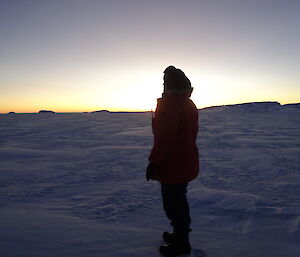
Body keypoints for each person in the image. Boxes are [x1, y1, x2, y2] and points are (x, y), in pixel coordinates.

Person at [146, 65, 199, 257]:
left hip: (173, 164)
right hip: (185, 161)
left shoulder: (171, 103)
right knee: (178, 201)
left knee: (174, 204)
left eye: (165, 81)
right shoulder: (187, 103)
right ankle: (180, 235)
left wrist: (154, 162)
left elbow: (166, 137)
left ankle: (182, 243)